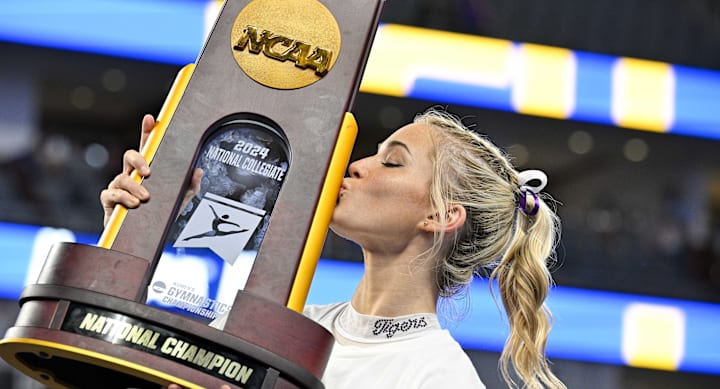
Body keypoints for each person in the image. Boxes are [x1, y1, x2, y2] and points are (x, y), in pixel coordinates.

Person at [101, 107, 566, 389]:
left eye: (392, 162)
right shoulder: (283, 326)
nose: (358, 165)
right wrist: (137, 234)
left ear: (441, 216)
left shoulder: (439, 376)